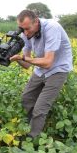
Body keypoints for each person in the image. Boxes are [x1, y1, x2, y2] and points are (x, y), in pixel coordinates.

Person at [10, 10, 73, 138]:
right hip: (40, 69)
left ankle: (32, 139)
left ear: (36, 21)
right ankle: (30, 127)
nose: (25, 33)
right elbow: (27, 64)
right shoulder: (25, 34)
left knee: (40, 108)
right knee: (26, 99)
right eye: (22, 29)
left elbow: (48, 62)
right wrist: (15, 58)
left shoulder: (52, 28)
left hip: (58, 69)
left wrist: (24, 58)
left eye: (28, 28)